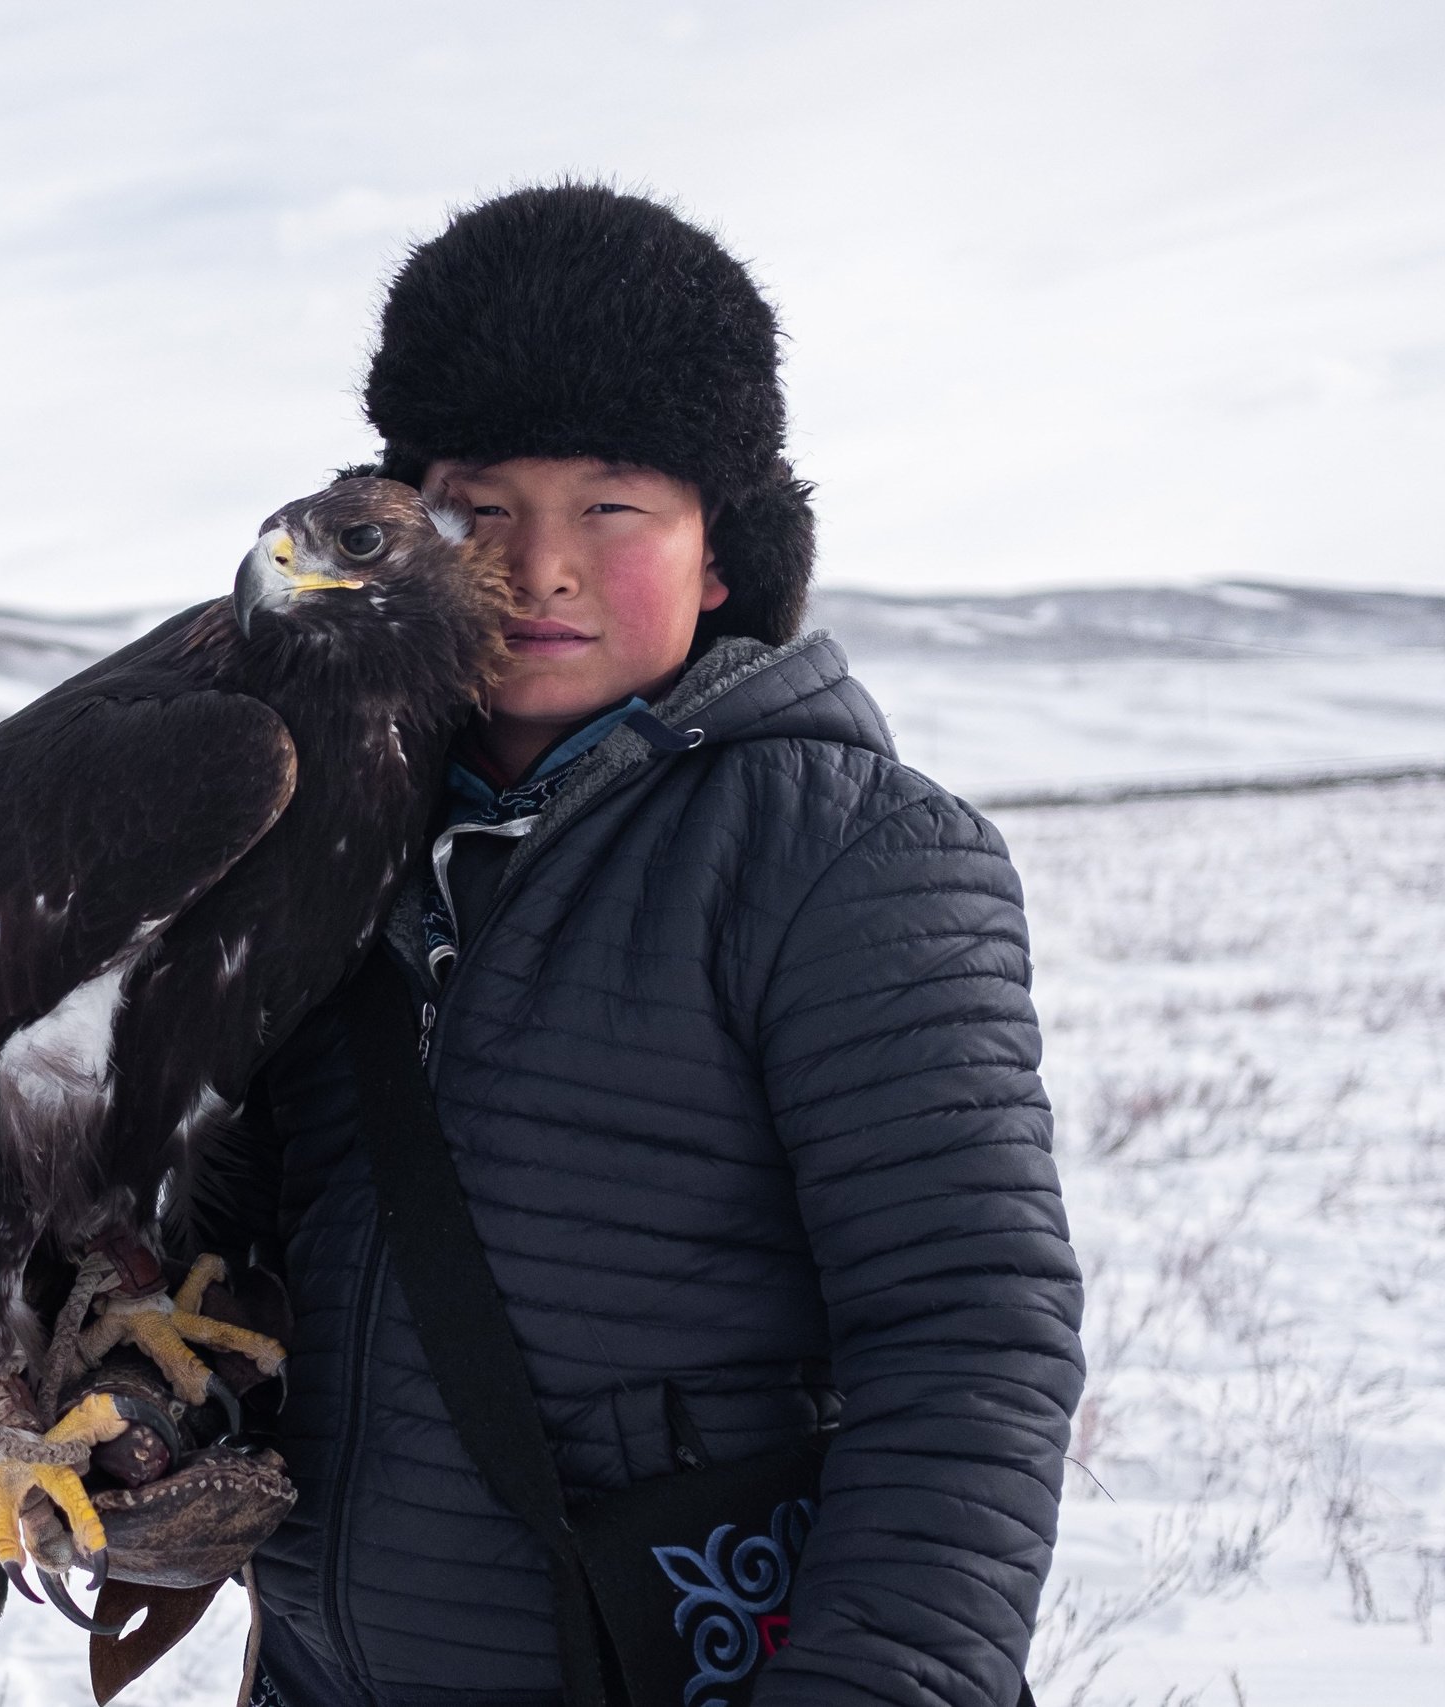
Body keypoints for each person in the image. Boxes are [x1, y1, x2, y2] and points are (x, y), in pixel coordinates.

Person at [212, 184, 1083, 1707]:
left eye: (613, 508)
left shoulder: (849, 852)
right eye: (477, 511)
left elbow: (966, 1339)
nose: (538, 568)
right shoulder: (328, 851)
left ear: (721, 554)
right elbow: (239, 1261)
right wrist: (163, 1431)